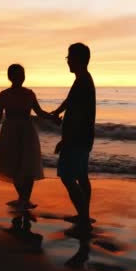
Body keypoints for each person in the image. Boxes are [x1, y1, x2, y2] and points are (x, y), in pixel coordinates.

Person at [0, 64, 54, 212]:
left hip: (27, 132)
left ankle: (25, 199)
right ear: (11, 77)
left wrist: (53, 117)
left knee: (28, 165)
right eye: (19, 74)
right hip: (9, 133)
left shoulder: (29, 93)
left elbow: (39, 112)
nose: (22, 77)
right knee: (13, 165)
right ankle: (22, 198)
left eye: (23, 74)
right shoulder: (4, 95)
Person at [51, 42, 96, 233]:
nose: (67, 61)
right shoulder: (83, 79)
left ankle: (84, 218)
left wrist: (65, 140)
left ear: (78, 59)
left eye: (69, 57)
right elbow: (70, 102)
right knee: (81, 176)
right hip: (85, 137)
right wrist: (56, 112)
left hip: (76, 138)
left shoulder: (82, 81)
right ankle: (83, 215)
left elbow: (77, 115)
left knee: (68, 177)